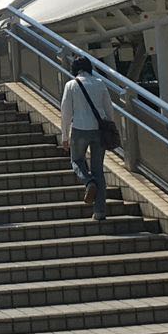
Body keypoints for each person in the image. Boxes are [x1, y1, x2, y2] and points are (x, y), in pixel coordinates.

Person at [58, 55, 115, 221]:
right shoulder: (100, 83)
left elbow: (66, 113)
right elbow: (109, 109)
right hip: (99, 130)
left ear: (74, 70)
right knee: (98, 170)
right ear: (90, 68)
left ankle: (88, 182)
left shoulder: (71, 85)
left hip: (79, 128)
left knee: (76, 160)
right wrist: (110, 128)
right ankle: (100, 212)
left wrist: (64, 136)